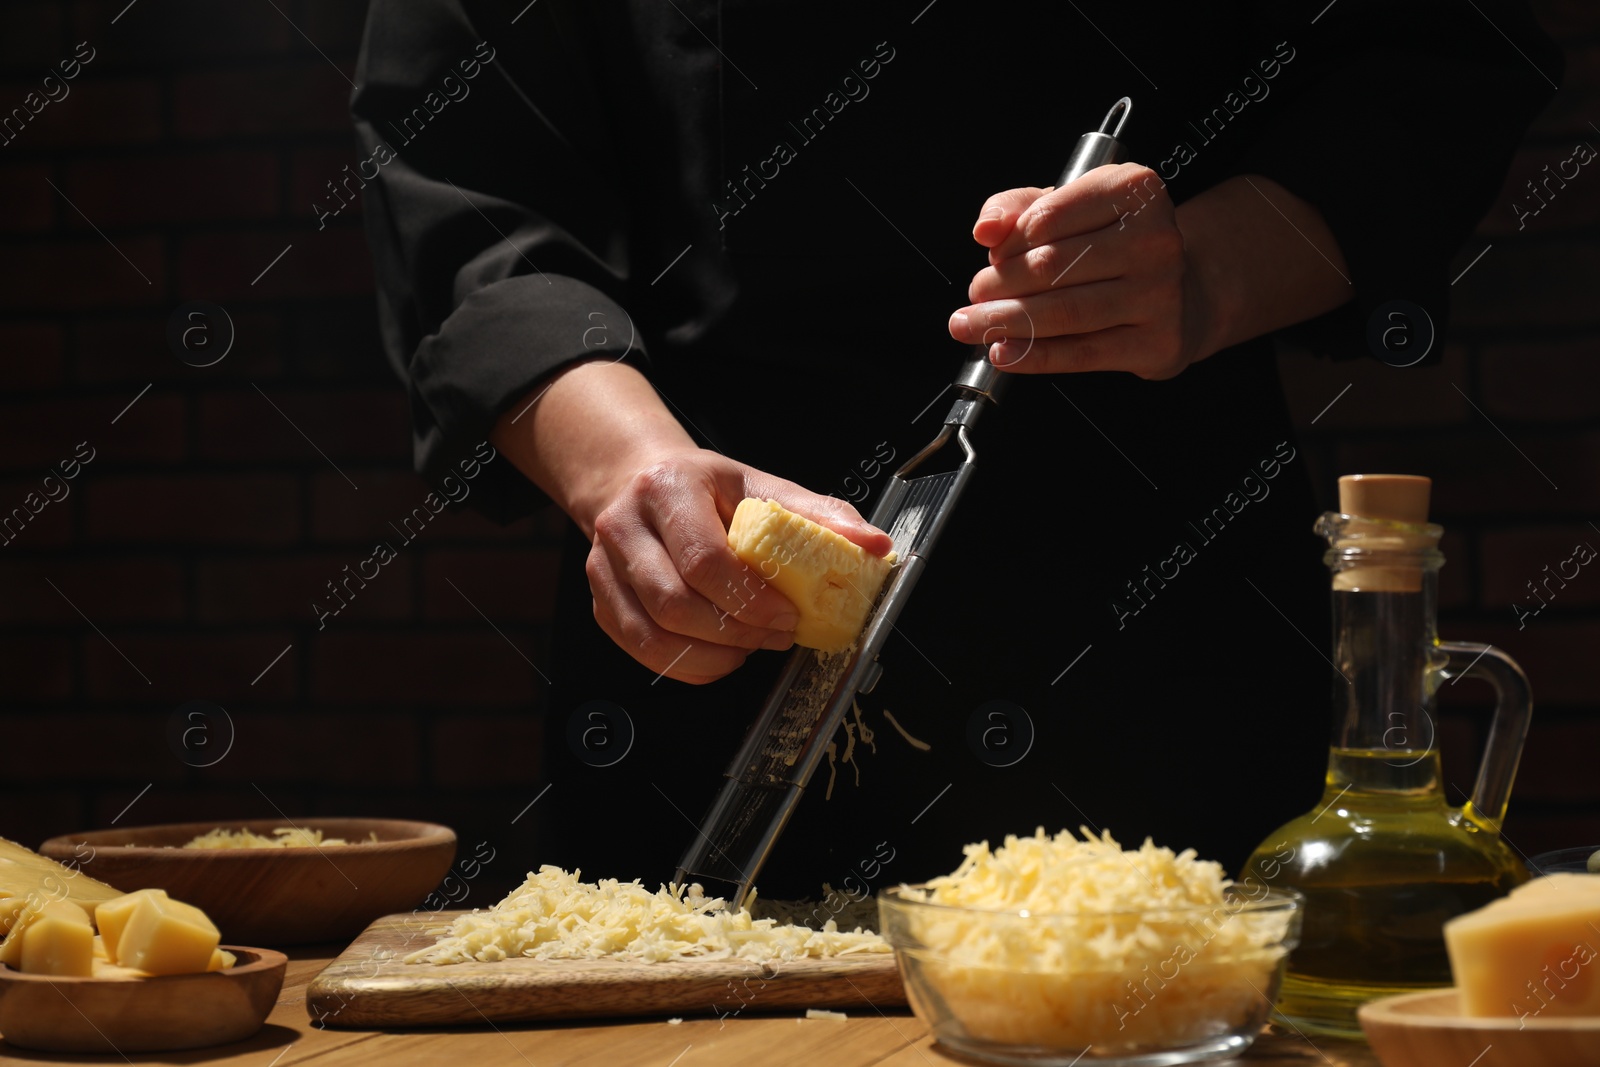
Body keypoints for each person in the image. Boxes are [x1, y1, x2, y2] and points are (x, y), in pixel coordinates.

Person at [350, 0, 1559, 897]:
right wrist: (621, 468)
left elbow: (1442, 53)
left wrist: (1207, 269)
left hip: (1155, 598)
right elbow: (468, 190)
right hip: (705, 604)